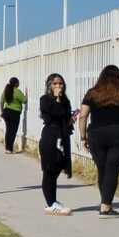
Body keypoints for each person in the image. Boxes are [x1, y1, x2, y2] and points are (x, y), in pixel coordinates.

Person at [77, 64, 119, 217]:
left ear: (101, 77)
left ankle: (105, 203)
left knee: (102, 168)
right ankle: (106, 206)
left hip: (96, 134)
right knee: (112, 169)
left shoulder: (92, 93)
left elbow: (83, 115)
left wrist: (83, 136)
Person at [38, 74, 73, 215]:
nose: (58, 86)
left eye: (61, 84)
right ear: (49, 86)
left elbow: (64, 116)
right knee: (49, 170)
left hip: (62, 137)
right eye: (55, 84)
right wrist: (57, 99)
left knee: (58, 167)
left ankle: (53, 201)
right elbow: (54, 113)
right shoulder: (45, 100)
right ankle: (50, 203)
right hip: (50, 138)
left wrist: (70, 120)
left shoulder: (65, 101)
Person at [0, 77, 27, 153]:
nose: (19, 84)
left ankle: (7, 148)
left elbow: (1, 102)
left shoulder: (6, 90)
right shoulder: (17, 91)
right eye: (18, 82)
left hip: (6, 112)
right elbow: (24, 100)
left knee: (8, 130)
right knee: (13, 131)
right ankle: (10, 149)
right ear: (16, 84)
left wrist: (1, 112)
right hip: (14, 113)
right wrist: (26, 95)